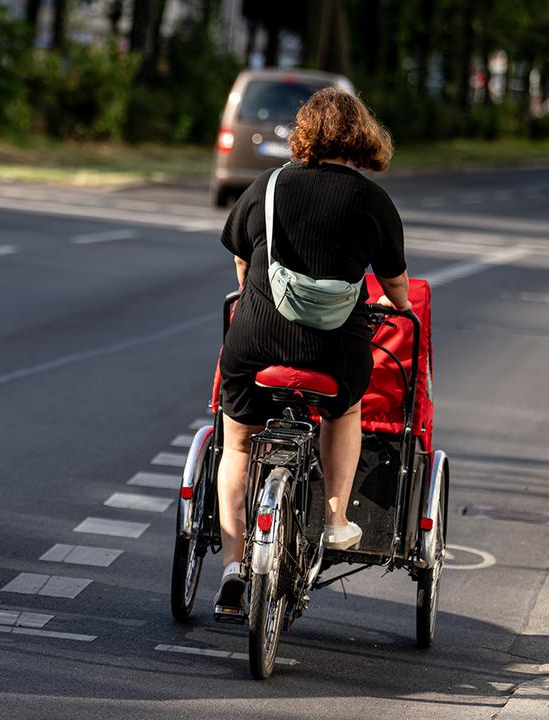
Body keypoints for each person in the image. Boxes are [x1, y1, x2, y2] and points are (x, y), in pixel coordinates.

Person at [213, 87, 413, 615]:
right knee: (345, 410)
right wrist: (395, 302)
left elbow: (241, 264)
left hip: (255, 340)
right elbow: (394, 288)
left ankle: (233, 564)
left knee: (236, 444)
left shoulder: (268, 186)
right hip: (334, 352)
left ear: (305, 132)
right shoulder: (372, 200)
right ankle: (335, 519)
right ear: (360, 137)